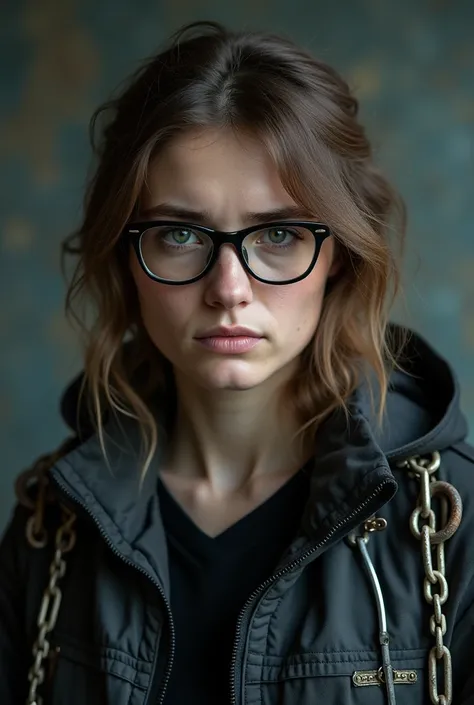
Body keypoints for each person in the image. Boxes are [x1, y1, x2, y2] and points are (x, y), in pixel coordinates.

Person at [0, 19, 473, 705]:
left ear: (338, 254)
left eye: (279, 234)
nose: (229, 288)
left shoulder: (450, 522)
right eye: (180, 234)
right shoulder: (53, 527)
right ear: (125, 256)